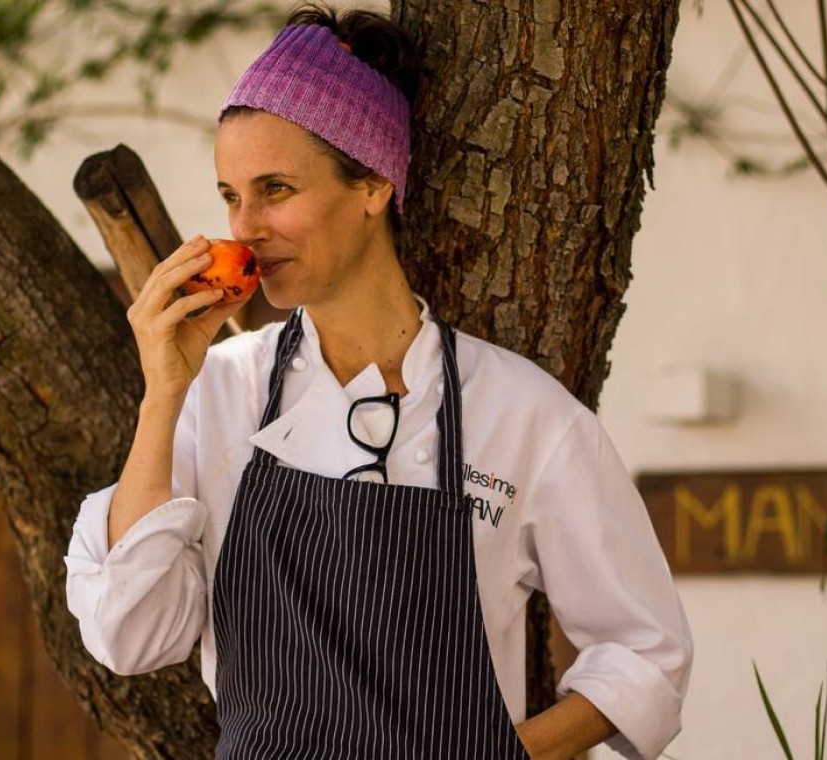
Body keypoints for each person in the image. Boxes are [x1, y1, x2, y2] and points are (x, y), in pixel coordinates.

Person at [65, 5, 692, 759]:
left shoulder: (521, 415)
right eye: (232, 195)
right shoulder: (219, 390)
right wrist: (163, 392)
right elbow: (130, 635)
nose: (246, 228)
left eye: (276, 189)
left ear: (371, 185)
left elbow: (644, 651)